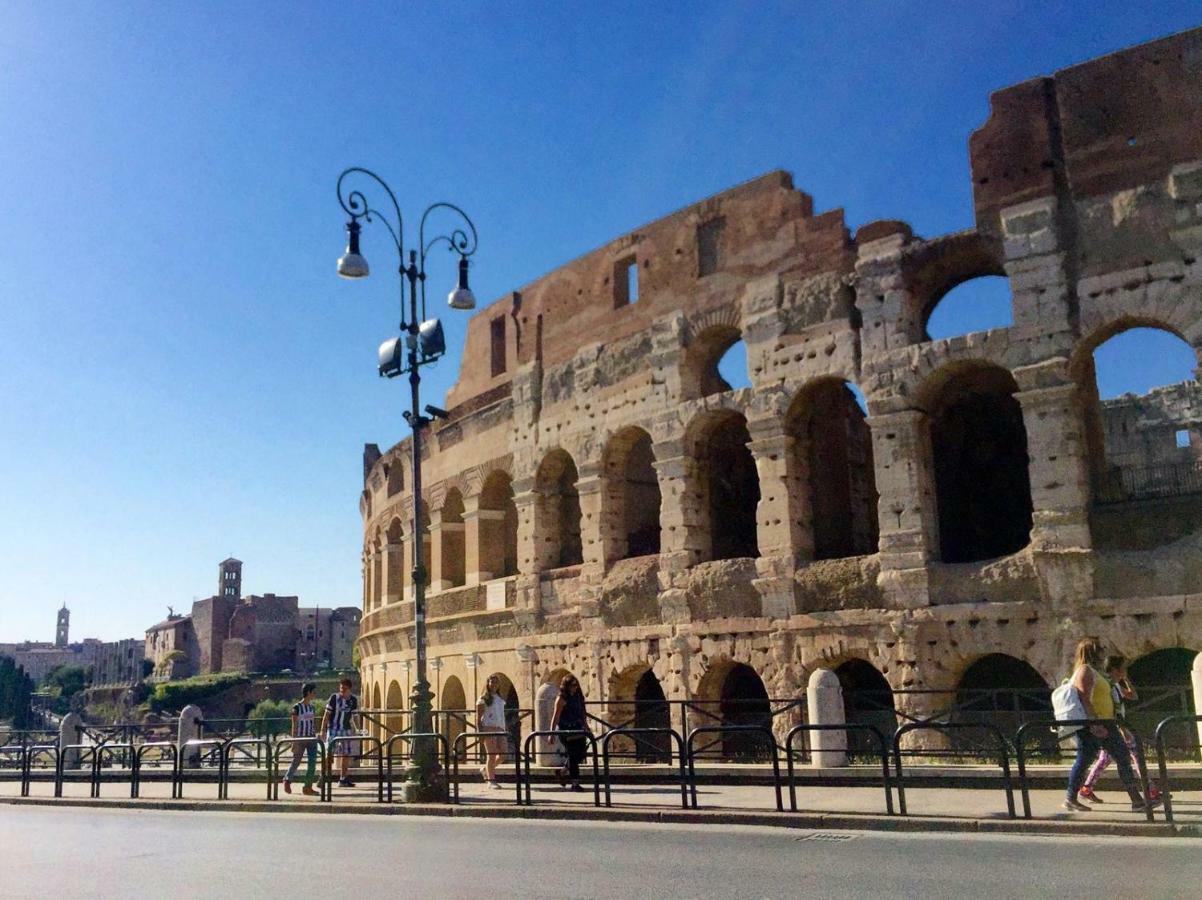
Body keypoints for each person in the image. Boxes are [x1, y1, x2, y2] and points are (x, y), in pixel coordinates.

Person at [1063, 639, 1157, 813]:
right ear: (1093, 651)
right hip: (1093, 725)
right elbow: (1085, 699)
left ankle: (1137, 801)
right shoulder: (1084, 670)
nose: (1104, 651)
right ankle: (1070, 798)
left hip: (1107, 723)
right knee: (1085, 761)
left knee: (1121, 758)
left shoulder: (1096, 672)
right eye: (1101, 648)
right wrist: (1095, 724)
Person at [1079, 655, 1160, 804]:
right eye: (1123, 669)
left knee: (1104, 760)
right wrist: (1123, 730)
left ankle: (1086, 788)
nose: (1125, 671)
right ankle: (1151, 791)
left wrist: (1125, 679)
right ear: (1115, 669)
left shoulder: (1115, 685)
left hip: (1115, 728)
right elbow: (1112, 711)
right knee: (1136, 756)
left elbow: (1133, 696)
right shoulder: (1107, 686)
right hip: (1116, 729)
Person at [548, 673, 588, 792]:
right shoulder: (561, 699)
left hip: (579, 728)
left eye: (576, 685)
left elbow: (582, 713)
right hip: (566, 730)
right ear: (566, 686)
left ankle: (562, 771)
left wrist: (586, 726)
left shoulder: (578, 696)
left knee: (580, 754)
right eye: (572, 685)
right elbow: (556, 716)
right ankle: (575, 783)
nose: (574, 688)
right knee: (573, 755)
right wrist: (551, 733)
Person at [321, 677, 359, 788]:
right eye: (341, 688)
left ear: (349, 689)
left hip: (346, 729)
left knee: (345, 754)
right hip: (333, 728)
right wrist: (323, 730)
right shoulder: (334, 698)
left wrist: (358, 729)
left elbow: (355, 716)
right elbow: (326, 715)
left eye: (344, 688)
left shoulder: (353, 700)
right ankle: (324, 776)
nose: (342, 690)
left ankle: (343, 779)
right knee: (329, 753)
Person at [282, 682, 319, 796]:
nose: (315, 694)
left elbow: (312, 723)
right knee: (296, 760)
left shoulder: (312, 707)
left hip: (311, 738)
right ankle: (287, 779)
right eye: (313, 692)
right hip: (300, 738)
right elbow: (294, 724)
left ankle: (307, 787)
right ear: (308, 692)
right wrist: (294, 741)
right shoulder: (297, 707)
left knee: (312, 762)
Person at [476, 674, 508, 790]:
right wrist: (480, 733)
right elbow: (478, 718)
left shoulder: (499, 699)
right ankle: (491, 780)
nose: (494, 684)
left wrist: (505, 728)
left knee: (504, 753)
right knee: (492, 754)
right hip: (488, 728)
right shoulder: (483, 699)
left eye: (496, 682)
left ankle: (486, 770)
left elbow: (501, 715)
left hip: (500, 728)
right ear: (488, 684)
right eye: (492, 682)